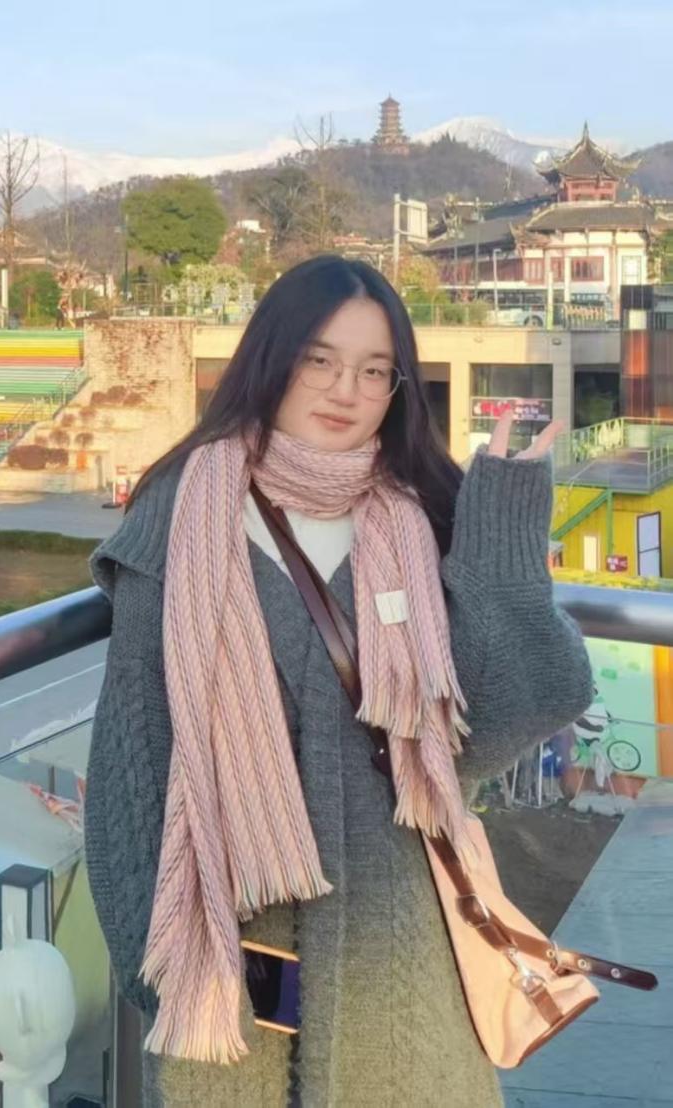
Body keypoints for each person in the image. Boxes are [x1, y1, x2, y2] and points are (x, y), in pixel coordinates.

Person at [83, 255, 594, 1106]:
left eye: (372, 370)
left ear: (397, 388)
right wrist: (158, 967)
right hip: (235, 946)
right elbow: (133, 757)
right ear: (271, 359)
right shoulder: (180, 513)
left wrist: (501, 544)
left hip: (397, 944)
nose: (343, 390)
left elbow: (508, 718)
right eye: (318, 360)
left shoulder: (416, 513)